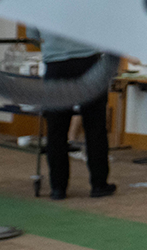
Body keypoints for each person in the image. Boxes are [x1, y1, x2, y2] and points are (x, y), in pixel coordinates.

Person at [30, 30, 116, 201]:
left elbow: (33, 35)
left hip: (55, 65)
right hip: (89, 62)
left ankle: (58, 188)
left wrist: (53, 47)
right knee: (95, 126)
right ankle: (99, 184)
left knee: (56, 130)